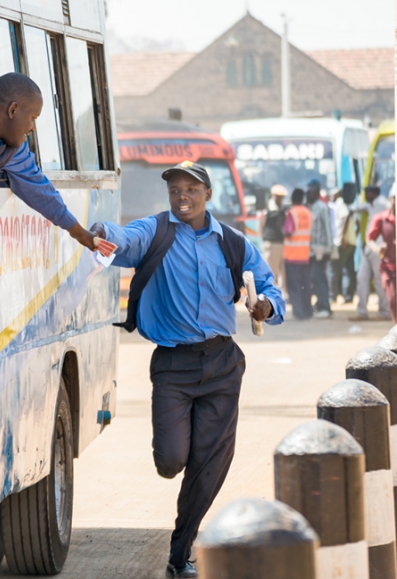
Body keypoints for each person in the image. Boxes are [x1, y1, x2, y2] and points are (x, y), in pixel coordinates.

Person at [90, 161, 285, 579]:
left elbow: (269, 286)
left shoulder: (232, 243)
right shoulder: (156, 231)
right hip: (173, 365)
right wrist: (104, 233)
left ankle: (181, 555)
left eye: (191, 190)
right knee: (172, 459)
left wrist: (265, 306)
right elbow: (125, 240)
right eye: (175, 190)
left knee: (207, 464)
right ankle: (181, 513)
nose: (182, 197)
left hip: (221, 364)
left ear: (207, 195)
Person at [0, 73, 97, 250]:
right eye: (33, 118)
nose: (34, 129)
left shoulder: (14, 149)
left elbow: (41, 192)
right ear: (13, 110)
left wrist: (80, 233)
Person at [352, 185, 391, 321]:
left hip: (379, 247)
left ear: (373, 193)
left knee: (380, 280)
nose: (366, 195)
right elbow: (356, 208)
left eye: (367, 193)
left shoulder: (384, 204)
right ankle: (362, 312)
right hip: (369, 247)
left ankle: (385, 311)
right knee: (362, 278)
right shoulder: (370, 205)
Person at [367, 184, 397, 323]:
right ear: (392, 199)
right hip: (389, 268)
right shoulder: (381, 219)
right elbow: (370, 239)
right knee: (393, 300)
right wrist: (377, 249)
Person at [283, 188, 313, 320]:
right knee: (306, 284)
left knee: (294, 285)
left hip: (292, 255)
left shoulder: (292, 213)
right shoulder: (308, 213)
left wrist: (281, 228)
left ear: (293, 198)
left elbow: (289, 231)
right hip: (305, 255)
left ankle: (298, 312)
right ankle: (308, 310)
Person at [306, 178, 333, 318]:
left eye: (312, 189)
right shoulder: (309, 207)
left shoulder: (322, 207)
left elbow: (328, 228)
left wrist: (328, 249)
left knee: (319, 277)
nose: (309, 192)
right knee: (313, 278)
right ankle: (319, 304)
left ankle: (325, 307)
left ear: (317, 191)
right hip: (309, 250)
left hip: (320, 250)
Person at [330, 186, 358, 304]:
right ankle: (348, 296)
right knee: (349, 270)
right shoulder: (349, 205)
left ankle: (334, 296)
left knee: (336, 270)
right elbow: (357, 223)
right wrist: (354, 235)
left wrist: (342, 236)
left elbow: (345, 217)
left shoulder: (340, 203)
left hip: (343, 242)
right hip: (352, 241)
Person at [261, 184, 288, 291]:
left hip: (282, 242)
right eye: (278, 196)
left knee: (283, 271)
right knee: (270, 270)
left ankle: (282, 293)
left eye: (281, 197)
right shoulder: (267, 209)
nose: (280, 199)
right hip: (271, 243)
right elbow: (261, 225)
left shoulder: (283, 209)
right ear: (273, 196)